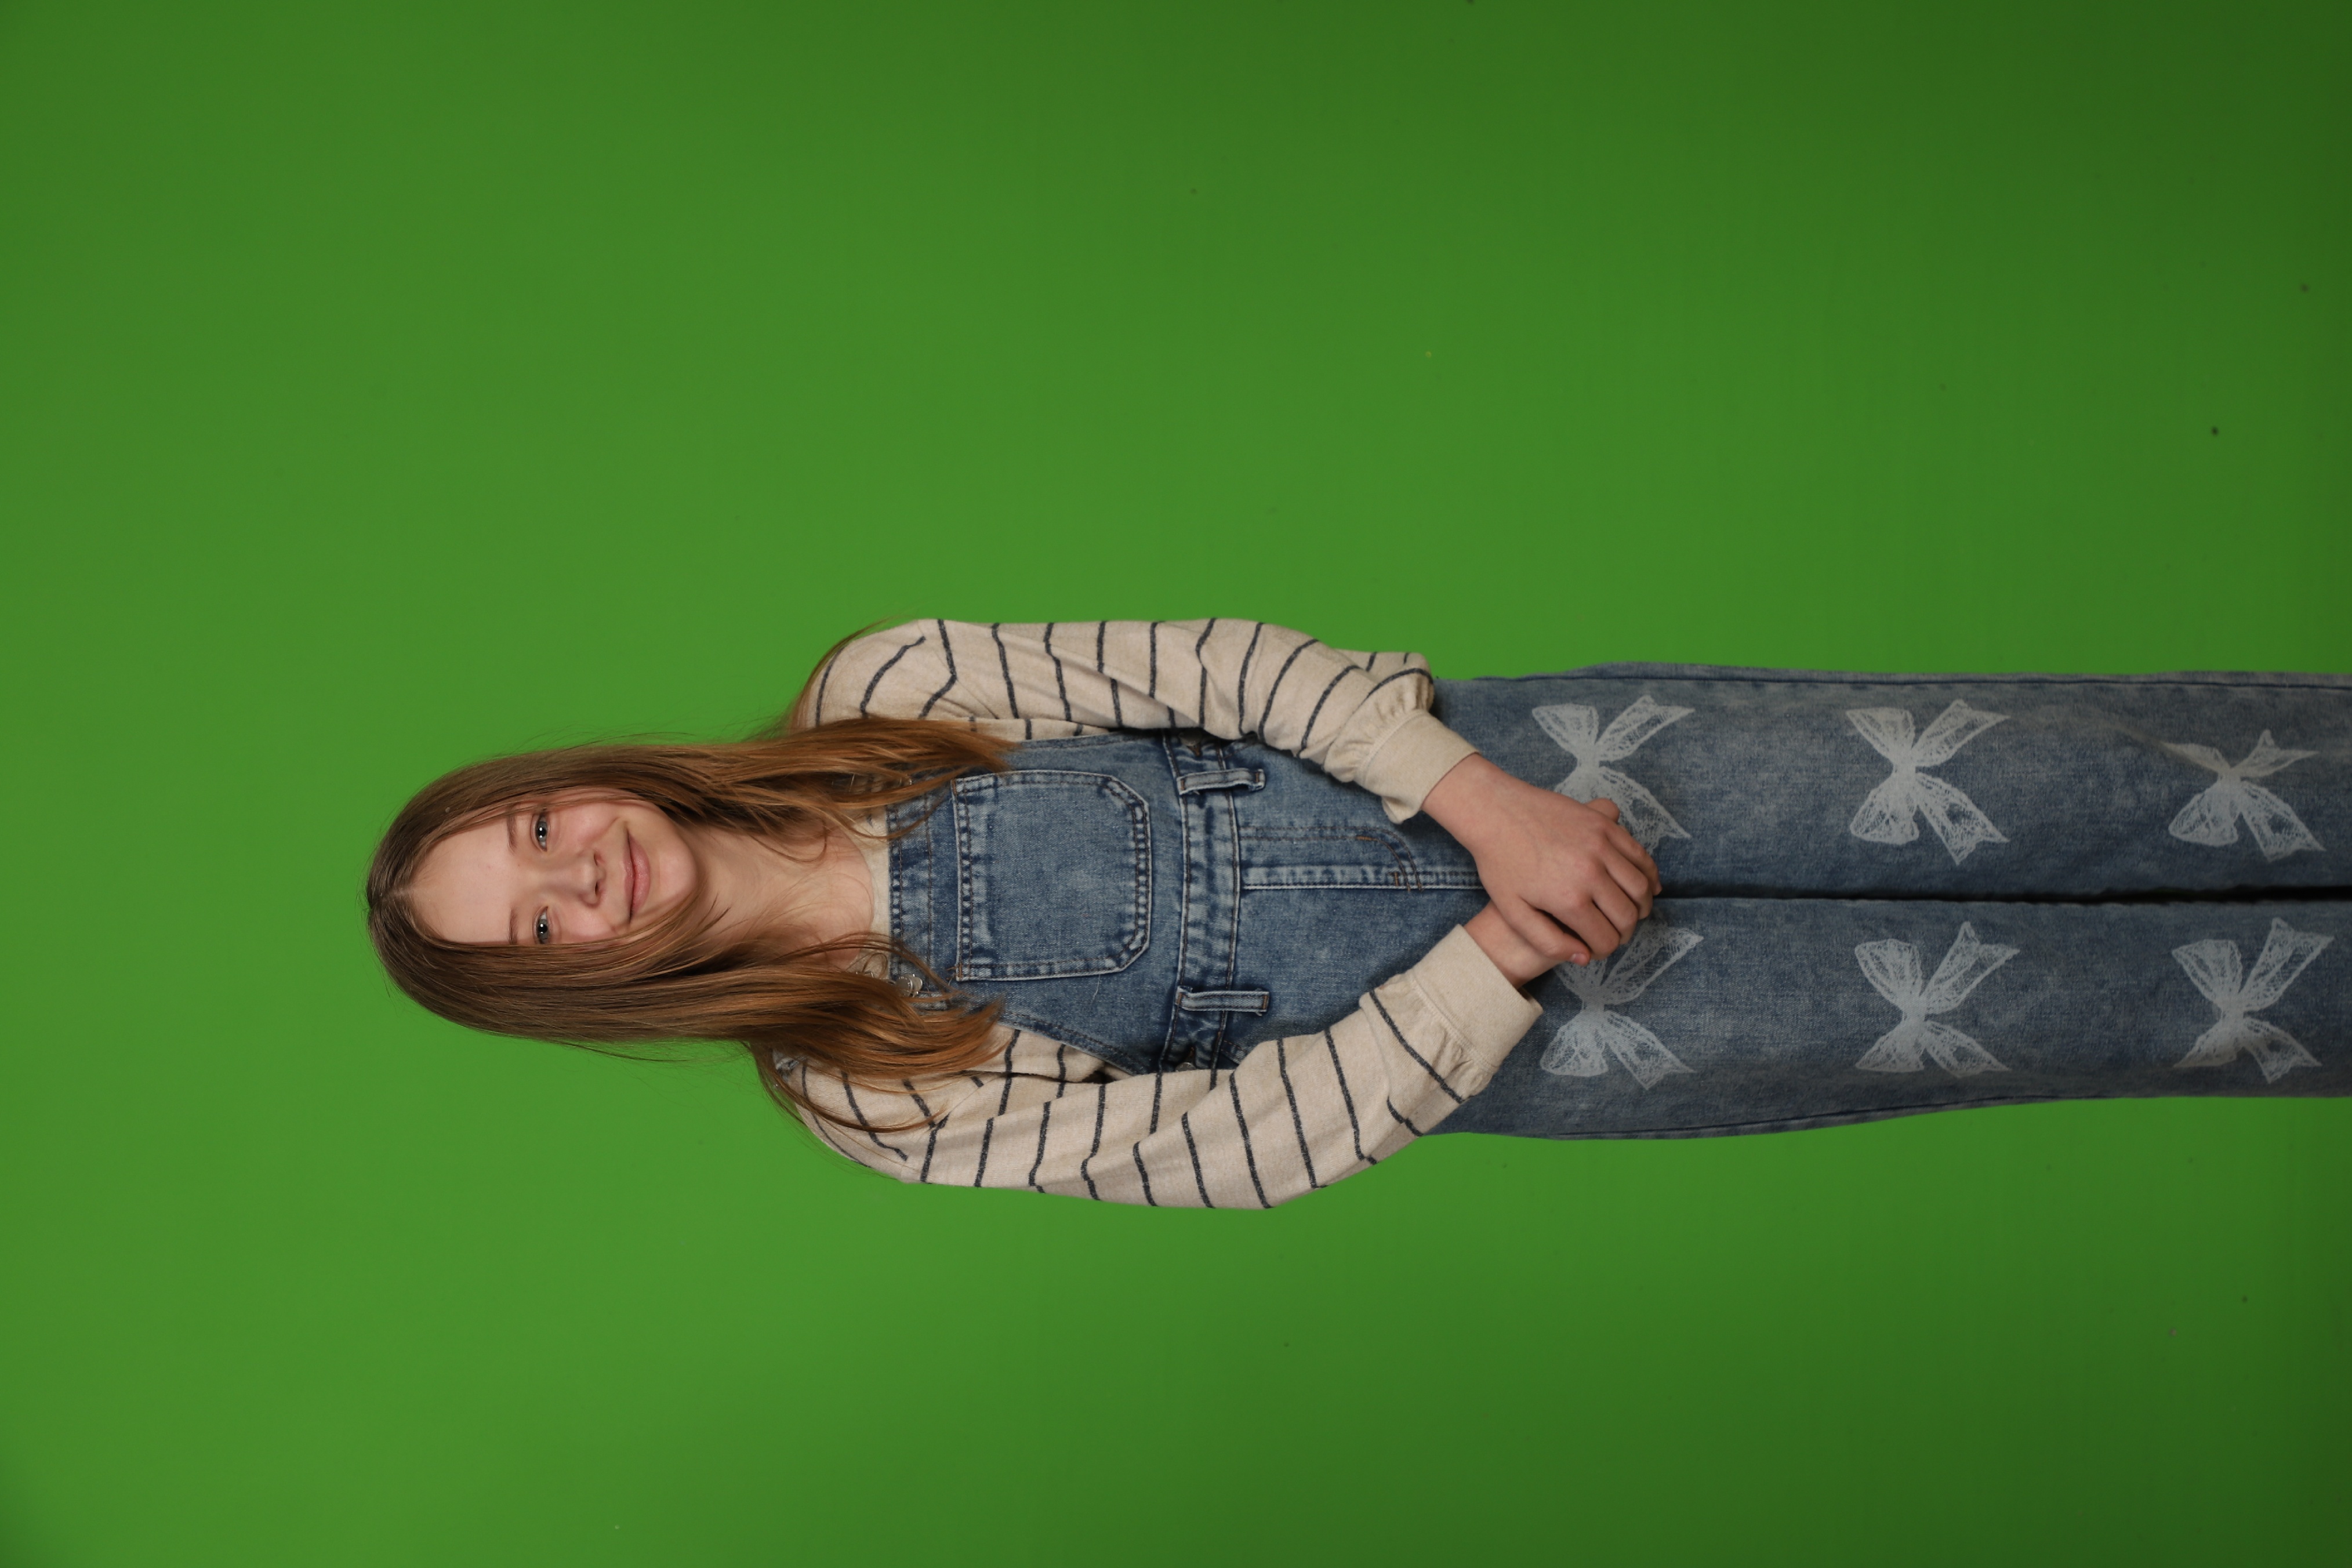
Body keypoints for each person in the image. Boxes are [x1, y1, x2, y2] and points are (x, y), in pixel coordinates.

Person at [368, 619, 2349, 1208]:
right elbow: (1234, 1147)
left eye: (534, 829)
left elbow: (1211, 665)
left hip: (1555, 772)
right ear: (572, 993)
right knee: (2114, 1002)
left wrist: (1485, 803)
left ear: (575, 779)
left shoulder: (882, 693)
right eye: (534, 928)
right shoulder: (870, 1091)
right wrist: (1501, 949)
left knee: (2086, 781)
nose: (573, 874)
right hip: (1573, 1015)